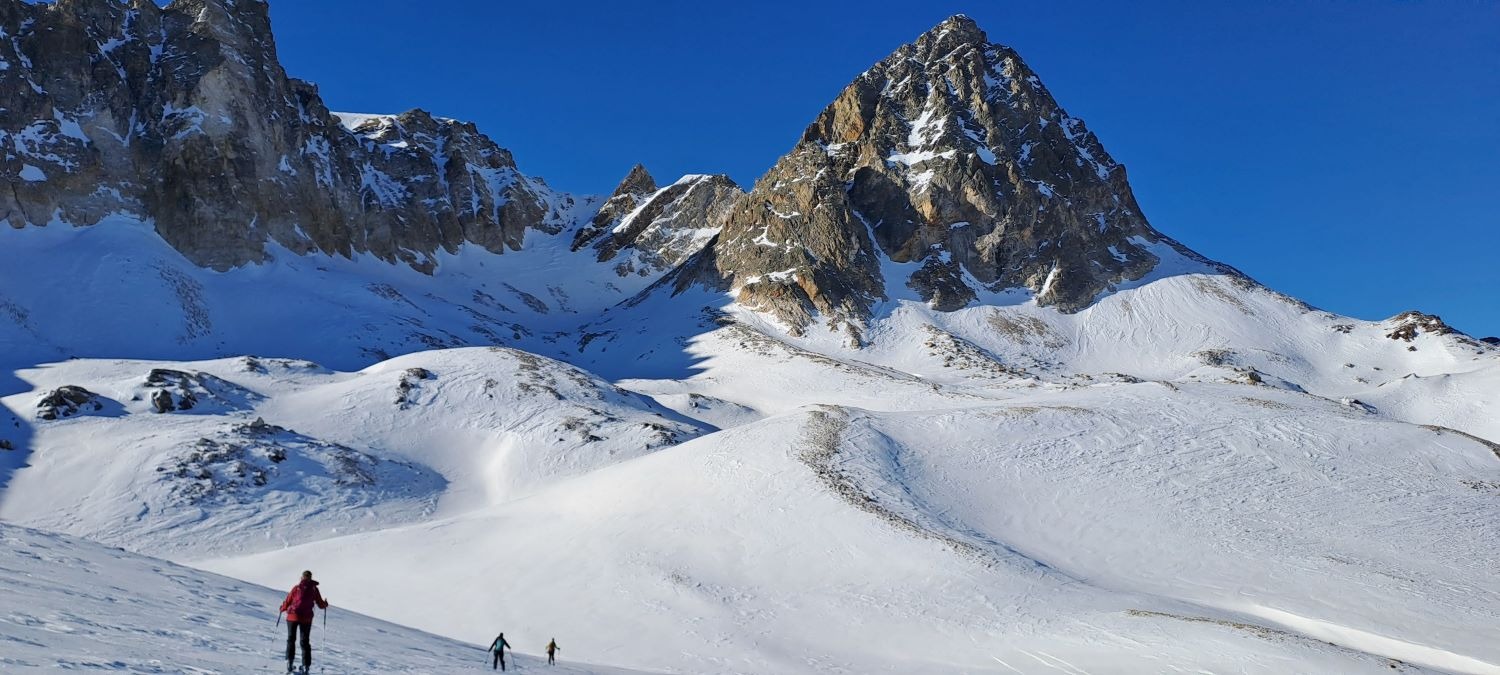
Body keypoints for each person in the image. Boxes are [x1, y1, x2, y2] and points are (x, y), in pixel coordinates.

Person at [279, 570, 329, 673]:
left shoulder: (296, 588)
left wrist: (282, 608)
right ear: (311, 578)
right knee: (305, 642)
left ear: (301, 577)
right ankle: (306, 667)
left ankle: (290, 663)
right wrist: (325, 604)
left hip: (292, 617)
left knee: (291, 639)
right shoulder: (314, 589)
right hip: (306, 619)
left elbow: (288, 601)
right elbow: (320, 604)